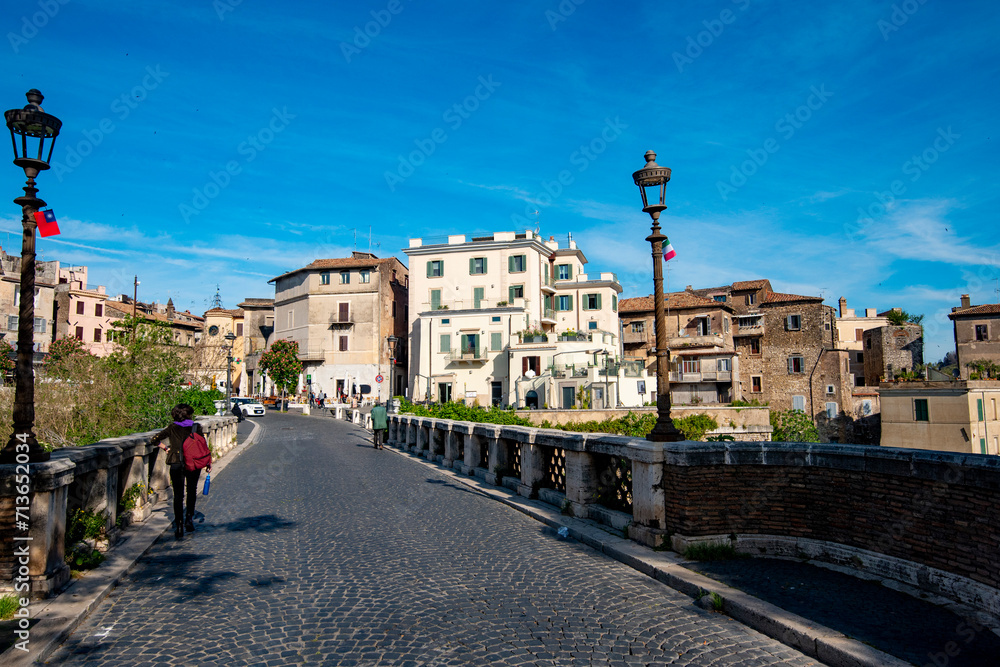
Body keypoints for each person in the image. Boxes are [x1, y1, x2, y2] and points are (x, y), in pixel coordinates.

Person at [150, 404, 210, 539]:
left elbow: (154, 439)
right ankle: (189, 519)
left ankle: (178, 525)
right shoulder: (196, 427)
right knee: (192, 491)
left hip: (176, 463)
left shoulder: (172, 428)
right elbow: (203, 446)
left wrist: (165, 448)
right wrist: (208, 463)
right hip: (193, 464)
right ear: (189, 414)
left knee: (178, 495)